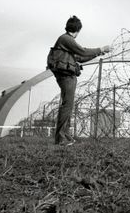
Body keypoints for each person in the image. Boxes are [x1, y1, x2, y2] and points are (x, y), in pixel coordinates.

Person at [47, 15, 111, 146]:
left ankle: (65, 136)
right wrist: (101, 49)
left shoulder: (66, 42)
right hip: (66, 76)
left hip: (68, 75)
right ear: (77, 30)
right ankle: (60, 139)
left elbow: (80, 58)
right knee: (67, 106)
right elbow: (82, 51)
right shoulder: (66, 39)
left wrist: (97, 54)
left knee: (68, 106)